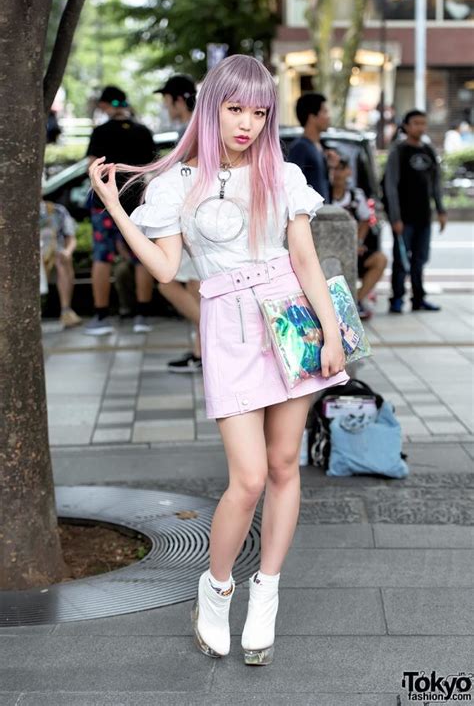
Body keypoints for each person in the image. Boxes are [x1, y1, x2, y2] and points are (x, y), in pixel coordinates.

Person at [89, 54, 348, 666]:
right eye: (235, 109)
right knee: (249, 477)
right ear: (211, 108)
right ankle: (218, 584)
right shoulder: (178, 183)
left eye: (259, 112)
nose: (247, 124)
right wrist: (117, 208)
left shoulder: (281, 175)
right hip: (229, 330)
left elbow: (306, 261)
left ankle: (267, 593)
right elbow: (165, 267)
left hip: (290, 322)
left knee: (286, 464)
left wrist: (331, 333)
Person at [84, 86, 156, 335]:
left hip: (103, 204)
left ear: (105, 105)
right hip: (137, 203)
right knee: (141, 258)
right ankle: (142, 316)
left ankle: (101, 316)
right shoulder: (143, 132)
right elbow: (151, 169)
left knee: (102, 258)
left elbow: (91, 167)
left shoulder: (101, 132)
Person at [155, 75, 202, 371]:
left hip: (192, 221)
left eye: (167, 100)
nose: (165, 106)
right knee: (196, 289)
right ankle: (202, 351)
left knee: (167, 282)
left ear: (178, 99)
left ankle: (211, 338)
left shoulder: (192, 130)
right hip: (196, 221)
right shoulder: (196, 127)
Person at [384, 109, 447, 313]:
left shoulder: (428, 150)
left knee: (420, 259)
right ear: (407, 126)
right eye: (416, 123)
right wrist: (395, 217)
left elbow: (435, 183)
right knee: (401, 260)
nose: (420, 127)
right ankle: (397, 298)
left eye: (423, 123)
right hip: (403, 218)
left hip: (423, 217)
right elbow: (390, 186)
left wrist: (441, 210)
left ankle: (418, 298)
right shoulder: (398, 151)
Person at [331, 157, 387, 320]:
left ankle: (356, 300)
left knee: (380, 260)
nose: (337, 173)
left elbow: (365, 221)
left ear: (349, 171)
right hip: (328, 252)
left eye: (341, 168)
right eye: (333, 169)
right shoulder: (321, 194)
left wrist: (357, 242)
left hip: (352, 250)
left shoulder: (356, 196)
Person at [40, 200, 82, 328]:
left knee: (62, 259)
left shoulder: (57, 210)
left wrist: (67, 252)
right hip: (32, 257)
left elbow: (71, 239)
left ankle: (66, 311)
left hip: (56, 255)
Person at [287, 92, 332, 201]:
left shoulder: (319, 146)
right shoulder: (300, 148)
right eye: (324, 112)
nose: (328, 117)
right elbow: (291, 186)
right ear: (312, 117)